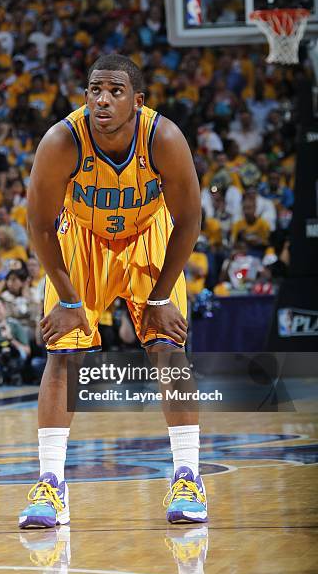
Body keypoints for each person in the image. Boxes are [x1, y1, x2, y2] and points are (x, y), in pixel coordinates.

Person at [19, 55, 206, 529]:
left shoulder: (163, 138)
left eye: (115, 90)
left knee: (169, 350)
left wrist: (161, 299)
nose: (102, 98)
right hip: (81, 239)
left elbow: (188, 221)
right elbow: (39, 225)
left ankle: (187, 475)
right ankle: (50, 485)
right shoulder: (63, 140)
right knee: (63, 355)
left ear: (137, 101)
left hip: (148, 236)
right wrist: (67, 299)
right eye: (95, 89)